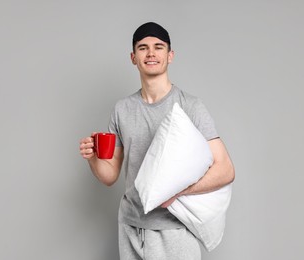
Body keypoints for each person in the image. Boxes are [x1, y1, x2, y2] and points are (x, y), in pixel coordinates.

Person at [79, 22, 235, 260]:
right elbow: (110, 175)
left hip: (174, 231)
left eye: (158, 47)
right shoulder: (122, 109)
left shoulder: (190, 106)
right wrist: (92, 159)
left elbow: (225, 169)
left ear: (170, 55)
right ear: (133, 57)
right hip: (130, 227)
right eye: (143, 48)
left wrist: (179, 191)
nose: (151, 53)